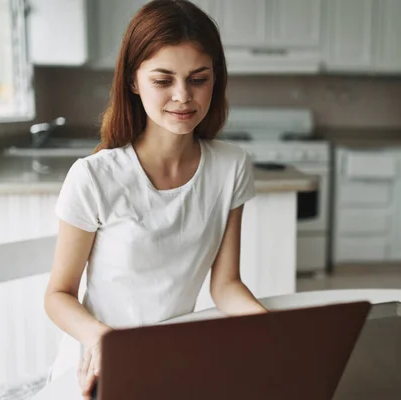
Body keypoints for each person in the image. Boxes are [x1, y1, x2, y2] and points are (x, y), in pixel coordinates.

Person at [42, 1, 268, 398]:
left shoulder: (231, 166)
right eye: (163, 80)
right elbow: (58, 295)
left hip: (174, 358)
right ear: (133, 81)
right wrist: (102, 339)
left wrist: (275, 331)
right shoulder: (94, 177)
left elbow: (226, 284)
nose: (183, 96)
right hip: (98, 367)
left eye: (199, 78)